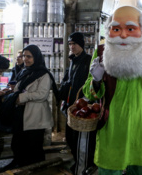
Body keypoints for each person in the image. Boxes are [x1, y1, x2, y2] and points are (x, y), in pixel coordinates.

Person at [82, 6, 142, 175]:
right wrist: (96, 79)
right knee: (109, 167)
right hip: (112, 124)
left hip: (140, 123)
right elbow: (88, 92)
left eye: (130, 29)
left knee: (140, 168)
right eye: (116, 29)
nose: (123, 35)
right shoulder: (101, 52)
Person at [10, 45, 58, 168]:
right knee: (19, 144)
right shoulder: (24, 71)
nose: (26, 59)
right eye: (24, 56)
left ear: (36, 57)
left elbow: (42, 94)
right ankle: (20, 166)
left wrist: (22, 97)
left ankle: (36, 169)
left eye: (29, 56)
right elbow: (18, 87)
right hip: (21, 115)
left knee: (34, 147)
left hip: (36, 117)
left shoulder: (44, 74)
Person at [59, 32, 95, 175]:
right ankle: (77, 163)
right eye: (70, 44)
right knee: (70, 138)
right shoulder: (72, 61)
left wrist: (86, 101)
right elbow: (67, 80)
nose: (72, 47)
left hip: (83, 108)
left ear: (81, 45)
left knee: (82, 141)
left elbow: (91, 83)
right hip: (71, 107)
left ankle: (85, 166)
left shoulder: (88, 61)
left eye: (74, 44)